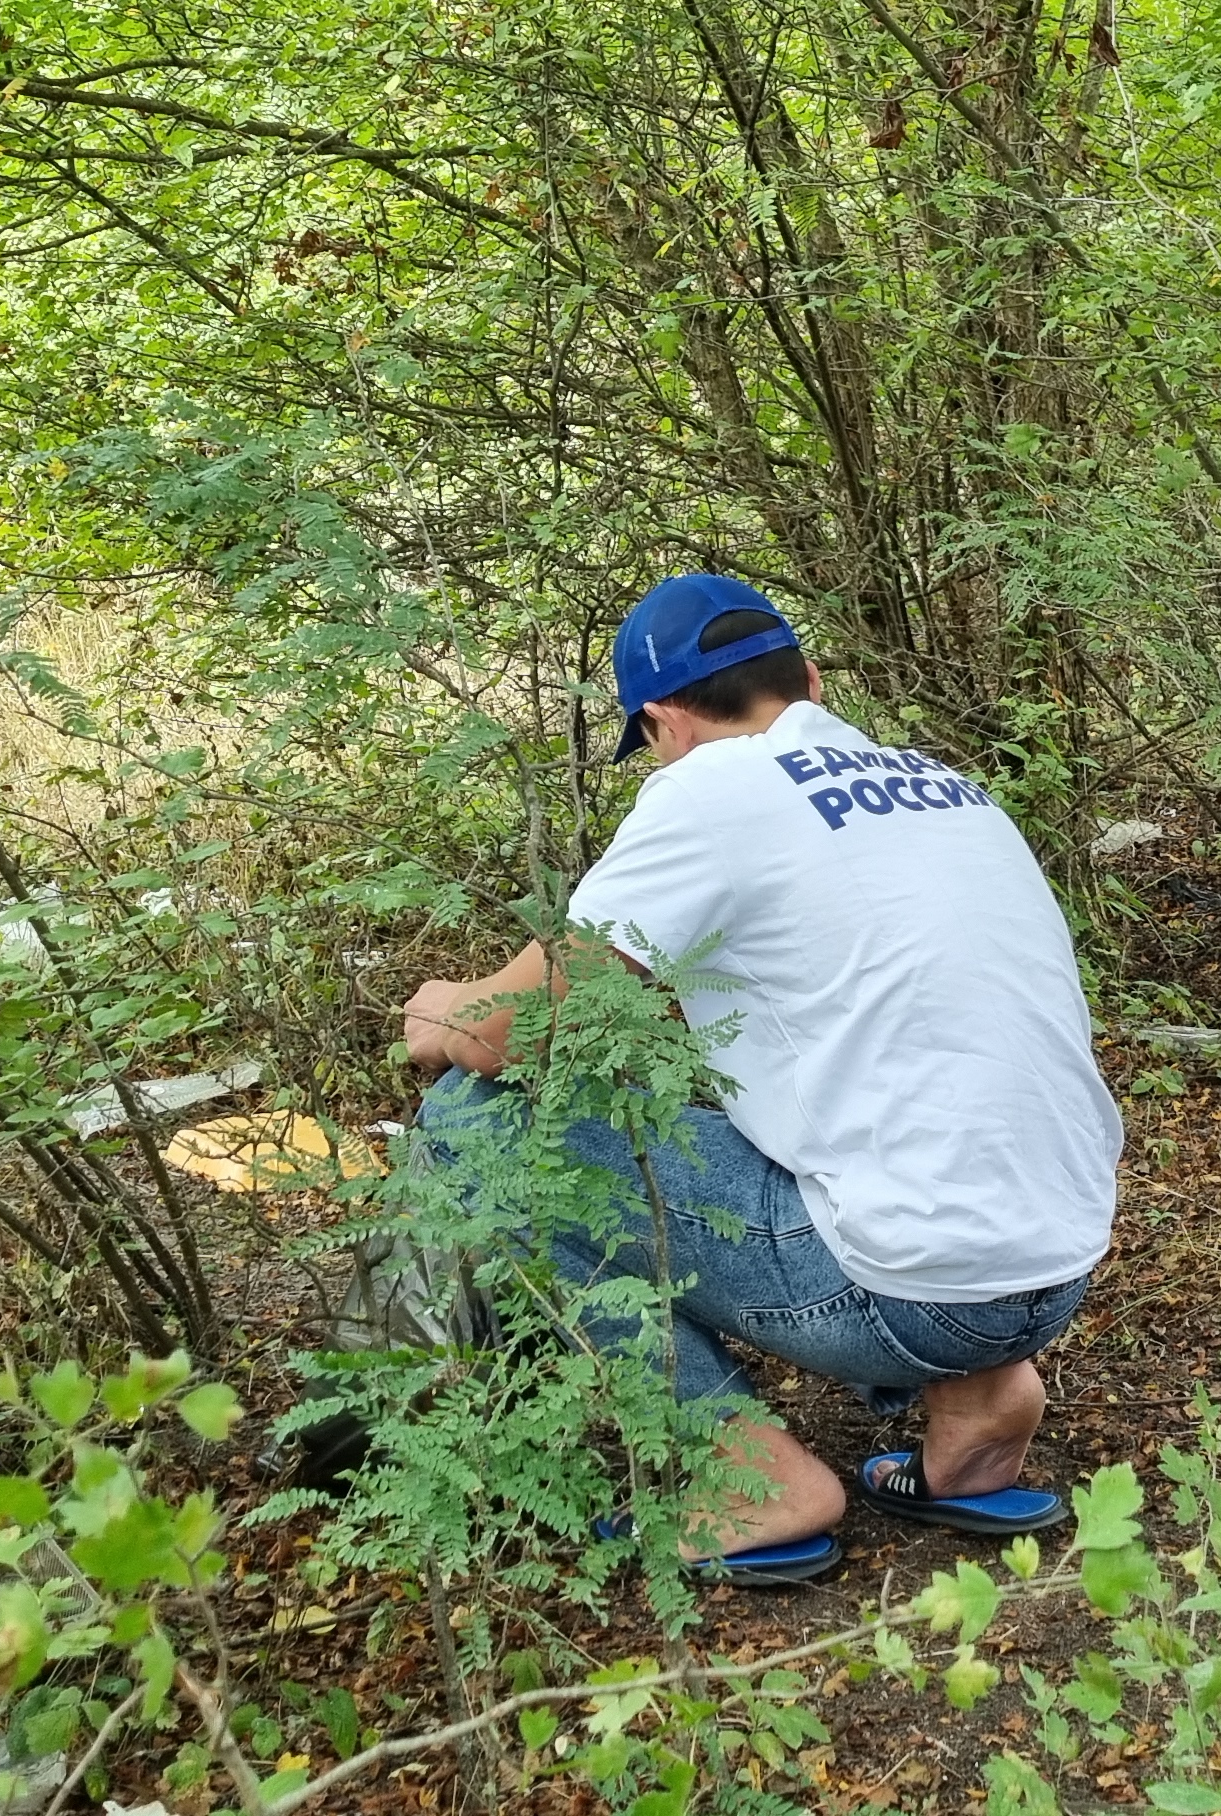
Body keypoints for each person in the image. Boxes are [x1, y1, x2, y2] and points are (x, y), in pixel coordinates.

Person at [394, 573, 1123, 1585]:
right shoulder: (944, 783)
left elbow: (508, 1029)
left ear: (662, 724)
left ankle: (744, 1479)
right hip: (1059, 1258)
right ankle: (982, 1395)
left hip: (915, 1288)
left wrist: (441, 1008)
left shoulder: (710, 787)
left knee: (476, 1119)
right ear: (811, 682)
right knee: (845, 1128)